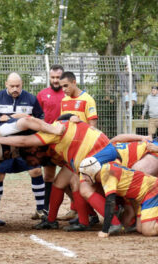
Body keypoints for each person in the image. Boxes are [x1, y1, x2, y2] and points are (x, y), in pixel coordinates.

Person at [0, 117, 119, 232]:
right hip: (94, 151)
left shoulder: (51, 133)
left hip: (98, 153)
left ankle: (104, 221)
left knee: (81, 187)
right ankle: (51, 221)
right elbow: (66, 116)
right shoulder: (57, 123)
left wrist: (0, 138)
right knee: (59, 182)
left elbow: (24, 141)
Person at [0, 72, 47, 221]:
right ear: (6, 84)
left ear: (22, 84)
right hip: (4, 145)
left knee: (36, 171)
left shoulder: (31, 99)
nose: (15, 88)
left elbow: (41, 119)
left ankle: (41, 210)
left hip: (26, 144)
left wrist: (22, 118)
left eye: (17, 86)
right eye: (12, 86)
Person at [78, 159, 158, 237]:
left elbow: (110, 203)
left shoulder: (107, 176)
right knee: (141, 228)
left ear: (90, 172)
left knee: (149, 231)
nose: (83, 178)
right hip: (146, 193)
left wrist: (105, 230)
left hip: (153, 189)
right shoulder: (106, 167)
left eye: (84, 175)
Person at [59, 71, 99, 221]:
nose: (64, 89)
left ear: (74, 82)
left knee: (77, 183)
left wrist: (80, 123)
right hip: (70, 150)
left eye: (66, 86)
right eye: (61, 86)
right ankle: (84, 211)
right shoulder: (64, 101)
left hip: (84, 150)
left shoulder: (87, 99)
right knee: (63, 183)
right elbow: (63, 123)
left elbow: (93, 127)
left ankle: (88, 214)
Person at [36, 64, 65, 213]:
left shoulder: (69, 94)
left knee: (72, 175)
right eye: (53, 77)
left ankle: (75, 210)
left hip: (65, 141)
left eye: (58, 77)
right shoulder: (42, 94)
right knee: (48, 175)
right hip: (47, 141)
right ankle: (44, 209)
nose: (55, 80)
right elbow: (36, 116)